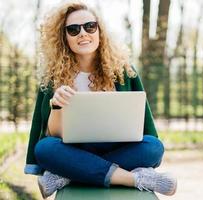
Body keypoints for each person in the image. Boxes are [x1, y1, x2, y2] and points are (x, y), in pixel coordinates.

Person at [24, 1, 177, 199]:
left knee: (153, 147)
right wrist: (57, 105)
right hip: (74, 149)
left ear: (99, 31)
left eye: (90, 26)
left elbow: (141, 129)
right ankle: (135, 179)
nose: (83, 33)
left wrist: (74, 167)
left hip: (115, 147)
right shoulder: (53, 78)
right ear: (64, 38)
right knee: (45, 149)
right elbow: (53, 135)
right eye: (73, 29)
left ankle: (69, 175)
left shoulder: (123, 71)